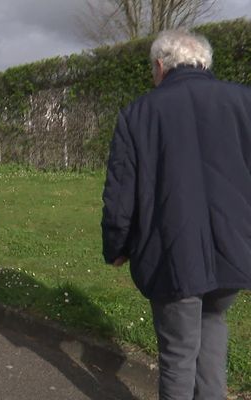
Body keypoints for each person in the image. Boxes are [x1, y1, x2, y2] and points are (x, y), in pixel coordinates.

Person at [101, 30, 251, 400]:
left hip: (174, 255)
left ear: (159, 66)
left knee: (179, 355)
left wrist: (116, 245)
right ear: (204, 63)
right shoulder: (244, 102)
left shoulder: (140, 113)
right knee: (213, 337)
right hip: (232, 251)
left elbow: (120, 193)